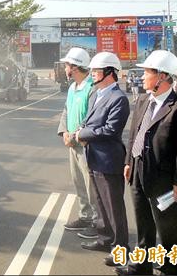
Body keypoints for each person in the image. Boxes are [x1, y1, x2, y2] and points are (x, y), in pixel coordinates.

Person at [118, 50, 177, 276]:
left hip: (165, 182)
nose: (142, 77)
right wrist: (128, 162)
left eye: (147, 72)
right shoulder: (143, 100)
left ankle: (171, 269)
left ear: (162, 77)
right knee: (143, 223)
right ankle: (142, 264)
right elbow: (135, 133)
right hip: (138, 173)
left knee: (169, 228)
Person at [74, 52, 130, 268]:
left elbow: (110, 129)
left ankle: (120, 248)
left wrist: (82, 135)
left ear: (109, 73)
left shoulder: (118, 98)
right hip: (94, 156)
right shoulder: (97, 94)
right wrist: (81, 129)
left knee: (113, 206)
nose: (92, 75)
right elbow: (90, 121)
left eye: (96, 71)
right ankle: (105, 239)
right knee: (100, 202)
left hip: (109, 159)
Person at [56, 48, 98, 238]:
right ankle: (85, 216)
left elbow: (91, 117)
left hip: (87, 146)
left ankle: (98, 223)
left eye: (67, 65)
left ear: (74, 67)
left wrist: (73, 136)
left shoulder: (92, 88)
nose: (65, 68)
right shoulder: (73, 88)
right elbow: (66, 111)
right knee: (78, 182)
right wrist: (64, 131)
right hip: (72, 144)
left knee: (92, 186)